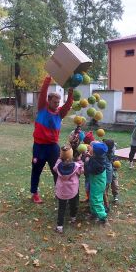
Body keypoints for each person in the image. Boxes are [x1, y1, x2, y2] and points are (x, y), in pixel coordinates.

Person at [30, 76, 73, 204]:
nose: (57, 104)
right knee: (36, 170)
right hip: (39, 146)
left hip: (53, 147)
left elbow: (68, 104)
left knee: (58, 170)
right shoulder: (42, 108)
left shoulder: (60, 113)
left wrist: (70, 91)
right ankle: (34, 193)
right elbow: (43, 92)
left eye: (58, 102)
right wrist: (48, 79)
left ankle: (59, 192)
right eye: (55, 102)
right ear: (48, 101)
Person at [53, 145, 84, 233]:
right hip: (73, 191)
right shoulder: (76, 166)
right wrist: (79, 160)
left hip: (62, 191)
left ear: (61, 156)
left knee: (61, 208)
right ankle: (73, 217)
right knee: (73, 204)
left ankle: (59, 226)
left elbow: (54, 168)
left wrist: (60, 159)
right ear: (71, 156)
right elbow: (82, 170)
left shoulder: (58, 165)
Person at [85, 141, 108, 224]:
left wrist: (87, 161)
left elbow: (89, 170)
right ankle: (94, 213)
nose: (89, 147)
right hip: (96, 183)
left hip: (98, 185)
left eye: (92, 147)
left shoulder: (97, 163)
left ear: (95, 153)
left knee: (96, 200)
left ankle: (103, 217)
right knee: (93, 198)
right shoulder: (99, 158)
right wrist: (89, 157)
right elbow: (93, 158)